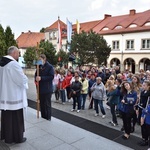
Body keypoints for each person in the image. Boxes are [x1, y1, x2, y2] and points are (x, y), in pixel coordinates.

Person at [0, 46, 28, 144]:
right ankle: (17, 138)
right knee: (16, 118)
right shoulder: (13, 64)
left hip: (5, 96)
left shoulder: (2, 63)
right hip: (14, 96)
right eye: (18, 53)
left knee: (7, 117)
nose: (18, 55)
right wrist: (26, 78)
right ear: (14, 53)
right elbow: (21, 80)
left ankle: (6, 136)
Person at [35, 54, 54, 120]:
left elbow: (51, 77)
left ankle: (48, 118)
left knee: (47, 105)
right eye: (39, 60)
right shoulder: (39, 67)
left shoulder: (50, 67)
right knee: (42, 104)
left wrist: (41, 78)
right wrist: (36, 78)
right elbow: (36, 75)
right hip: (40, 89)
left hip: (47, 89)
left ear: (44, 59)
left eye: (40, 59)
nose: (39, 61)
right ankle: (43, 117)